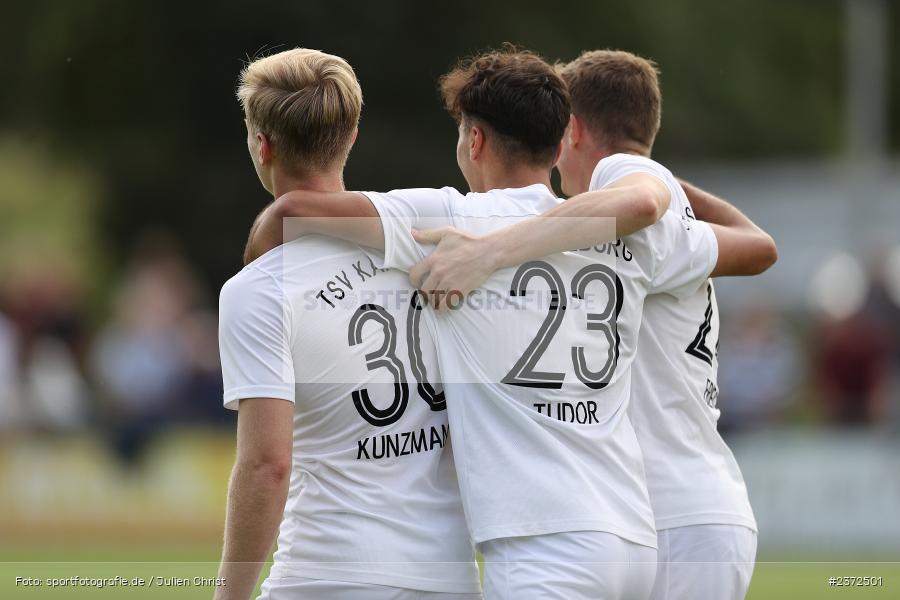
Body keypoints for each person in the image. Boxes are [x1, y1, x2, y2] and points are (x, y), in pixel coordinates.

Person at [247, 47, 774, 600]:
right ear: (557, 140)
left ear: (474, 141)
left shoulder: (460, 218)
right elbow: (756, 248)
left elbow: (299, 210)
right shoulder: (626, 231)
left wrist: (259, 263)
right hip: (631, 536)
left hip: (541, 543)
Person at [407, 50, 776, 600]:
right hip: (699, 502)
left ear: (571, 132)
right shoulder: (630, 233)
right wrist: (677, 190)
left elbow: (647, 197)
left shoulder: (623, 179)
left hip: (670, 508)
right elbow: (760, 246)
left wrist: (490, 250)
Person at [215, 48, 480, 600]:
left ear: (261, 145)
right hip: (450, 575)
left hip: (330, 572)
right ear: (352, 135)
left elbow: (267, 465)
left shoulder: (257, 291)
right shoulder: (438, 236)